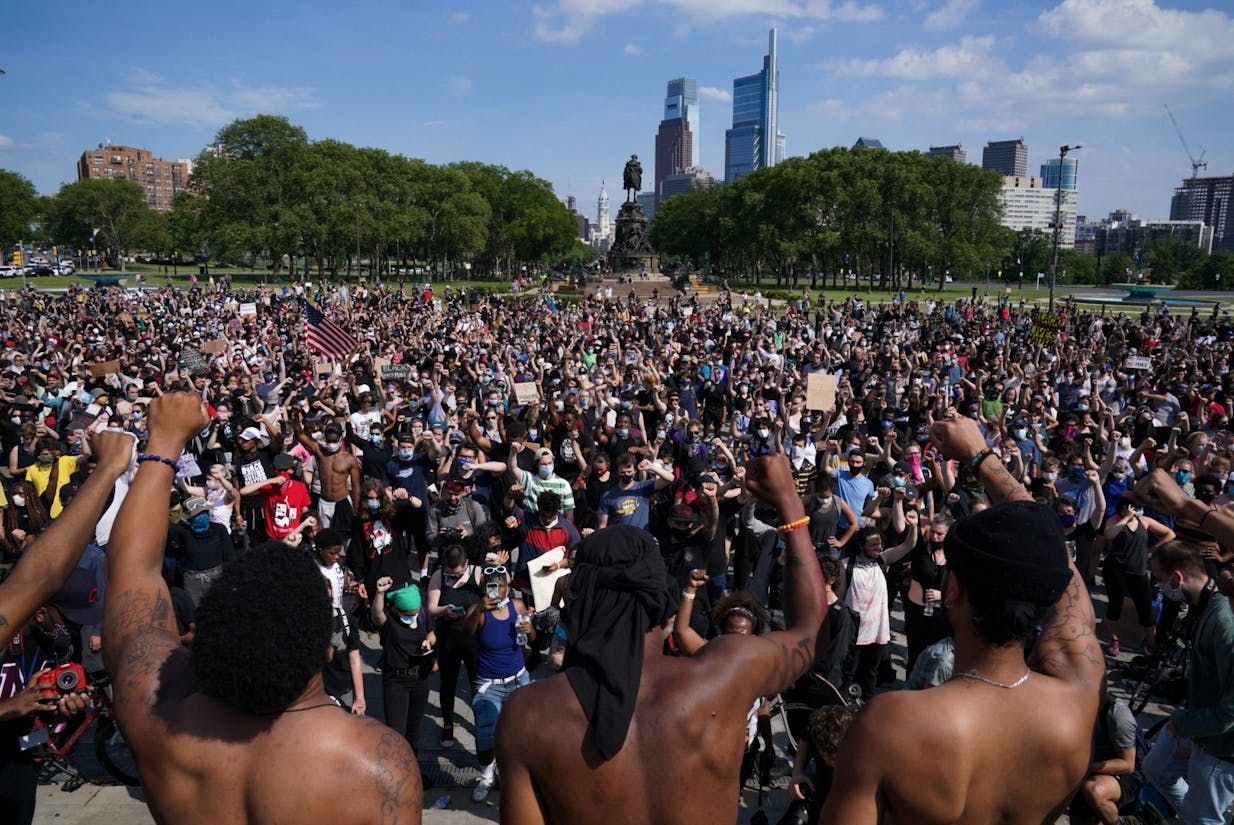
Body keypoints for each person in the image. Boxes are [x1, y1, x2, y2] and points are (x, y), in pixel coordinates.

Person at [102, 393, 422, 825]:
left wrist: (162, 445)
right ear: (326, 651)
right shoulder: (378, 764)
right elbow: (134, 574)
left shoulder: (159, 714)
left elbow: (132, 575)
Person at [496, 454, 826, 824]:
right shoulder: (726, 678)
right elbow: (809, 630)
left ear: (576, 604)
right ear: (667, 610)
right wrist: (788, 502)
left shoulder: (527, 715)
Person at [818, 414, 1104, 824]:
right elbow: (1050, 550)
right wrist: (981, 453)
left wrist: (977, 454)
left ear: (952, 590)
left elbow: (1049, 549)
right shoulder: (1078, 698)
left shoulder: (889, 724)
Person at [0, 430, 131, 825]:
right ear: (39, 611)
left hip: (14, 762)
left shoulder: (37, 643)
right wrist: (8, 708)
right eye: (62, 620)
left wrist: (50, 702)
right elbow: (40, 574)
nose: (66, 629)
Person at [464, 564, 534, 803]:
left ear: (508, 586)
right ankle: (486, 776)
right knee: (485, 734)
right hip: (489, 685)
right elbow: (467, 632)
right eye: (493, 586)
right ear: (485, 587)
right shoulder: (478, 610)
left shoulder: (518, 606)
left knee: (524, 732)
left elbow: (532, 639)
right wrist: (479, 610)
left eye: (502, 586)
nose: (498, 590)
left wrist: (530, 629)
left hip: (518, 679)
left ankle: (518, 775)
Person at [371, 576, 435, 762]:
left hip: (419, 679)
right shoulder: (389, 621)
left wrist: (428, 642)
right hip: (396, 681)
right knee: (396, 732)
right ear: (396, 609)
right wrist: (380, 593)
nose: (412, 616)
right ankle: (397, 771)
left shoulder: (423, 614)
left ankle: (414, 770)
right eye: (407, 614)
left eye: (414, 612)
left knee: (414, 730)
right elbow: (377, 615)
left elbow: (432, 634)